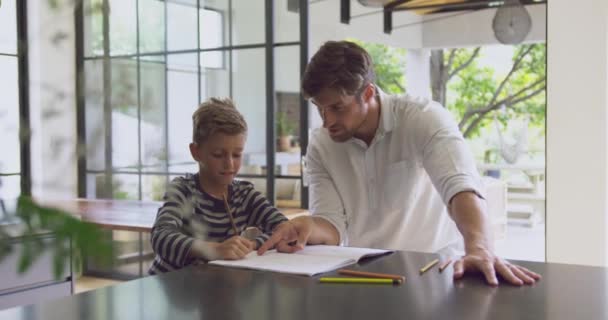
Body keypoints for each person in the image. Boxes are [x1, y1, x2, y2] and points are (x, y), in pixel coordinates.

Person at [259, 40, 541, 286]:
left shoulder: (423, 118)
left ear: (367, 94)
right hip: (363, 273)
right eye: (320, 108)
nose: (327, 121)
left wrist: (479, 247)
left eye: (337, 107)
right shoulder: (321, 144)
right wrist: (307, 225)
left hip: (435, 270)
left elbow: (461, 187)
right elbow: (332, 225)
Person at [149, 97, 298, 274]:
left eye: (237, 155)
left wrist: (251, 244)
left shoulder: (244, 194)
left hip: (215, 288)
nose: (229, 164)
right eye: (218, 155)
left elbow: (281, 227)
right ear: (195, 152)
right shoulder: (183, 190)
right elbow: (161, 237)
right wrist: (213, 250)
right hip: (172, 290)